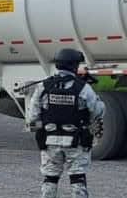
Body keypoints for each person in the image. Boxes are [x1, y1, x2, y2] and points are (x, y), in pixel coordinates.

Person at [26, 49, 105, 198]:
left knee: (50, 178)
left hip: (49, 141)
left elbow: (32, 117)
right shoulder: (83, 88)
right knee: (77, 178)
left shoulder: (43, 87)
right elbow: (98, 112)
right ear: (75, 66)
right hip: (75, 141)